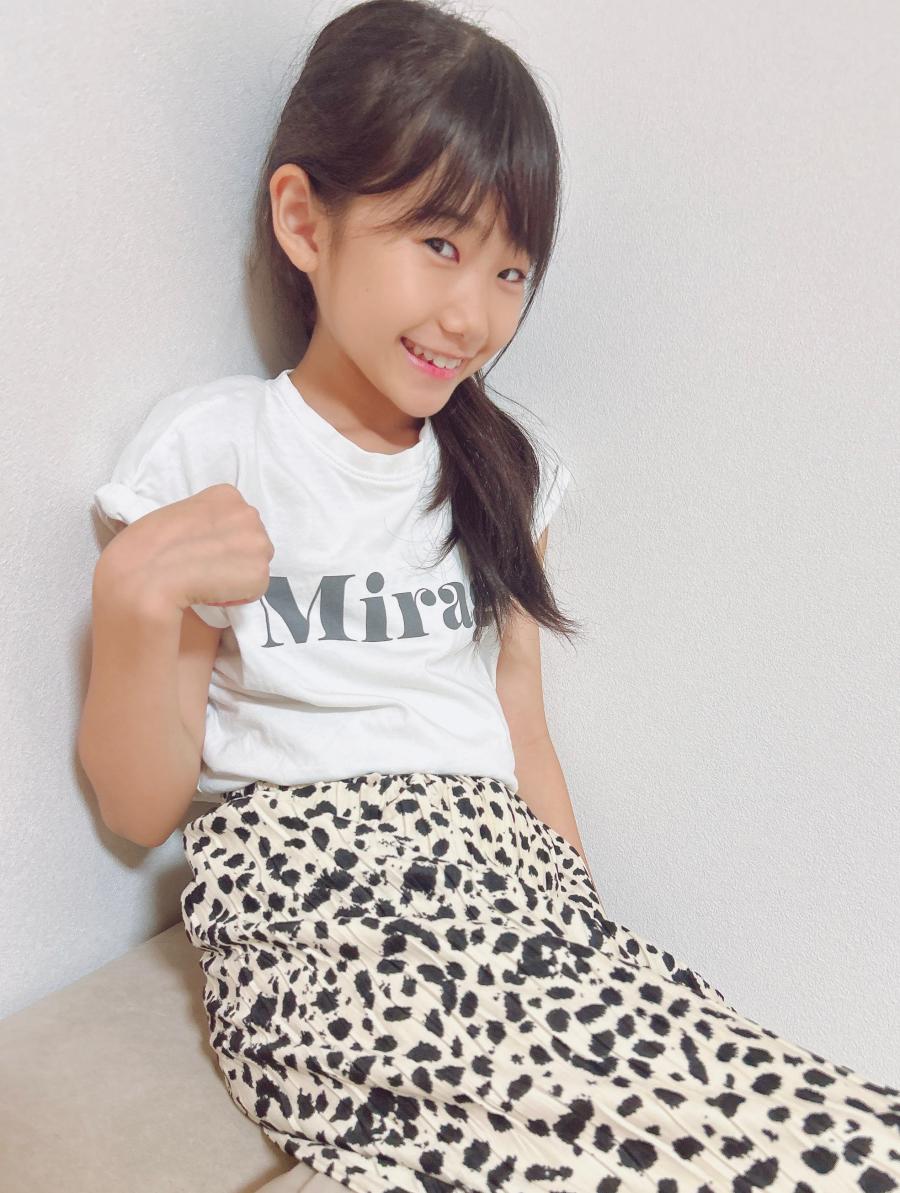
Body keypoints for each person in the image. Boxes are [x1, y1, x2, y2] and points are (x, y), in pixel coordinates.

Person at [79, 1, 900, 1190]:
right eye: (439, 243)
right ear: (306, 221)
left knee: (795, 1109)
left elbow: (524, 730)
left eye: (511, 270)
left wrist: (588, 935)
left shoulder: (505, 472)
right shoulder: (219, 450)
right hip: (319, 915)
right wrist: (133, 596)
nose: (475, 315)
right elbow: (142, 806)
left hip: (507, 895)